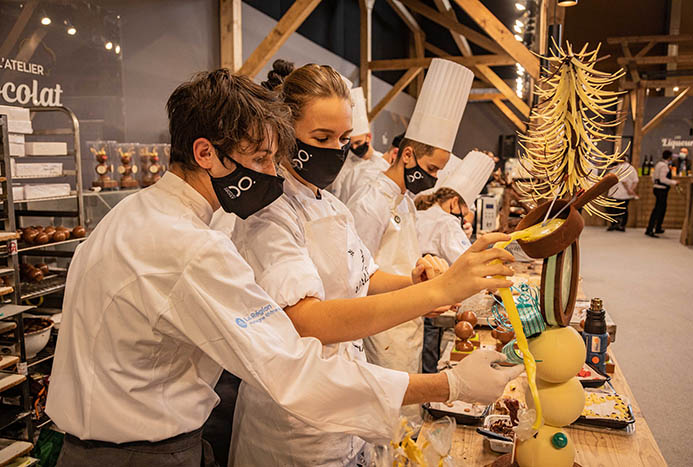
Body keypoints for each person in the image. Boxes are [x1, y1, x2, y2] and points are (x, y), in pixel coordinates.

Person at [44, 69, 519, 467]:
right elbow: (294, 364)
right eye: (261, 159)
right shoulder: (189, 247)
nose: (274, 174)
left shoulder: (130, 214)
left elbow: (355, 278)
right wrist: (449, 384)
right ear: (206, 152)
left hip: (100, 445)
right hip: (141, 454)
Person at [223, 61, 519, 466]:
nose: (336, 150)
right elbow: (307, 320)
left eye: (343, 138)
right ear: (285, 133)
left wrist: (416, 284)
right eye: (321, 137)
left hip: (347, 403)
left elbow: (365, 276)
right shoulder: (269, 214)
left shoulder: (329, 205)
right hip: (292, 428)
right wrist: (440, 290)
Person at [347, 59, 474, 383]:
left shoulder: (405, 199)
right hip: (382, 322)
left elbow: (405, 254)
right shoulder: (370, 201)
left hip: (410, 314)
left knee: (408, 409)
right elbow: (356, 277)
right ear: (407, 155)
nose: (431, 179)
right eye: (430, 169)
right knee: (389, 407)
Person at [414, 188, 472, 373]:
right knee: (429, 341)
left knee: (419, 341)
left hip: (413, 285)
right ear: (454, 202)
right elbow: (465, 259)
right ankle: (429, 389)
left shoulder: (420, 213)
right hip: (431, 286)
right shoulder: (447, 221)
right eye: (463, 213)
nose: (461, 218)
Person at [329, 87, 389, 203]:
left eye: (358, 142)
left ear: (369, 137)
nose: (355, 148)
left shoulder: (382, 165)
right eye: (350, 144)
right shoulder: (344, 166)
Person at [646, 150, 677, 237]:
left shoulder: (658, 164)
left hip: (657, 188)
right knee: (658, 210)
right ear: (669, 157)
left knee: (661, 209)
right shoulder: (664, 166)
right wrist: (674, 182)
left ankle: (658, 227)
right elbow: (663, 179)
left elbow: (653, 178)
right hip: (661, 190)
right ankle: (650, 229)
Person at [607, 156, 638, 232]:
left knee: (613, 210)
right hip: (624, 194)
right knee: (624, 209)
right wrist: (631, 190)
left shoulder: (617, 167)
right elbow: (635, 180)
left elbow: (609, 178)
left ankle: (614, 224)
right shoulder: (631, 168)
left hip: (616, 192)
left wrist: (629, 190)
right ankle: (622, 225)